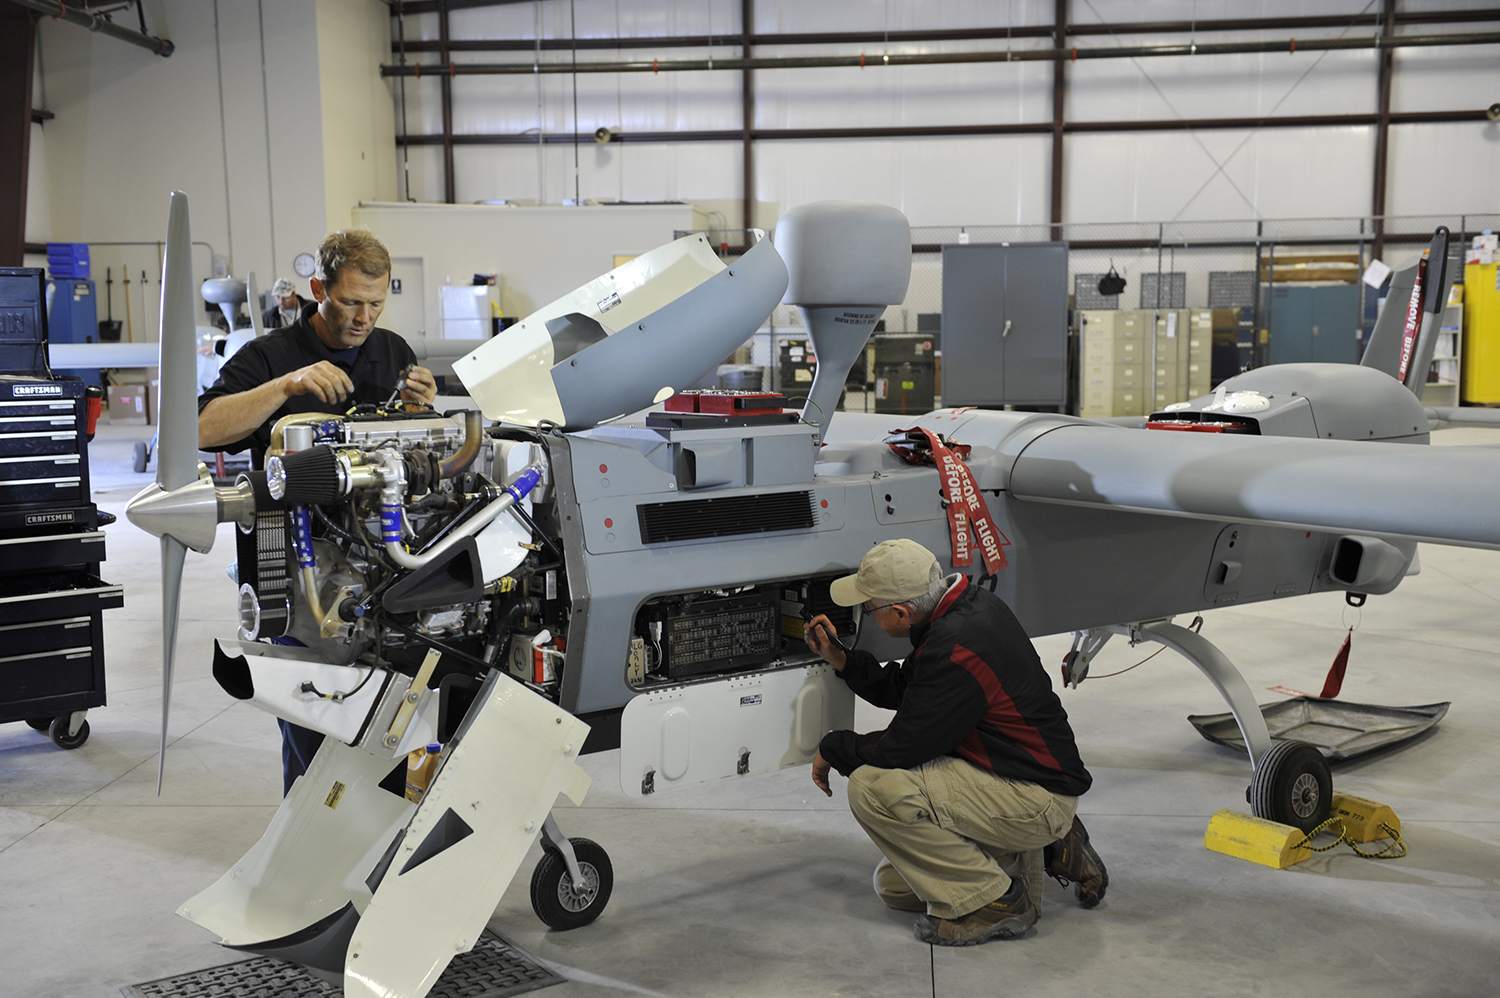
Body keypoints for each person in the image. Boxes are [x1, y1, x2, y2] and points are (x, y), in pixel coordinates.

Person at [199, 229, 438, 794]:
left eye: (376, 303)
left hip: (377, 566)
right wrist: (288, 386)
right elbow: (203, 428)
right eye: (350, 301)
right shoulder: (270, 356)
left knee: (389, 723)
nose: (364, 316)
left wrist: (416, 409)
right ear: (317, 289)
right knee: (312, 723)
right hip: (293, 567)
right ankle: (304, 853)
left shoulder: (392, 350)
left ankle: (377, 851)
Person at [804, 538, 1107, 947]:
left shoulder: (956, 645)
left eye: (868, 608)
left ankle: (1001, 901)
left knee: (871, 789)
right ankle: (1052, 848)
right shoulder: (961, 610)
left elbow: (902, 748)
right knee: (893, 886)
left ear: (899, 612)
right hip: (1014, 774)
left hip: (1033, 794)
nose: (867, 616)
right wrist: (843, 660)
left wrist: (832, 747)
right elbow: (909, 689)